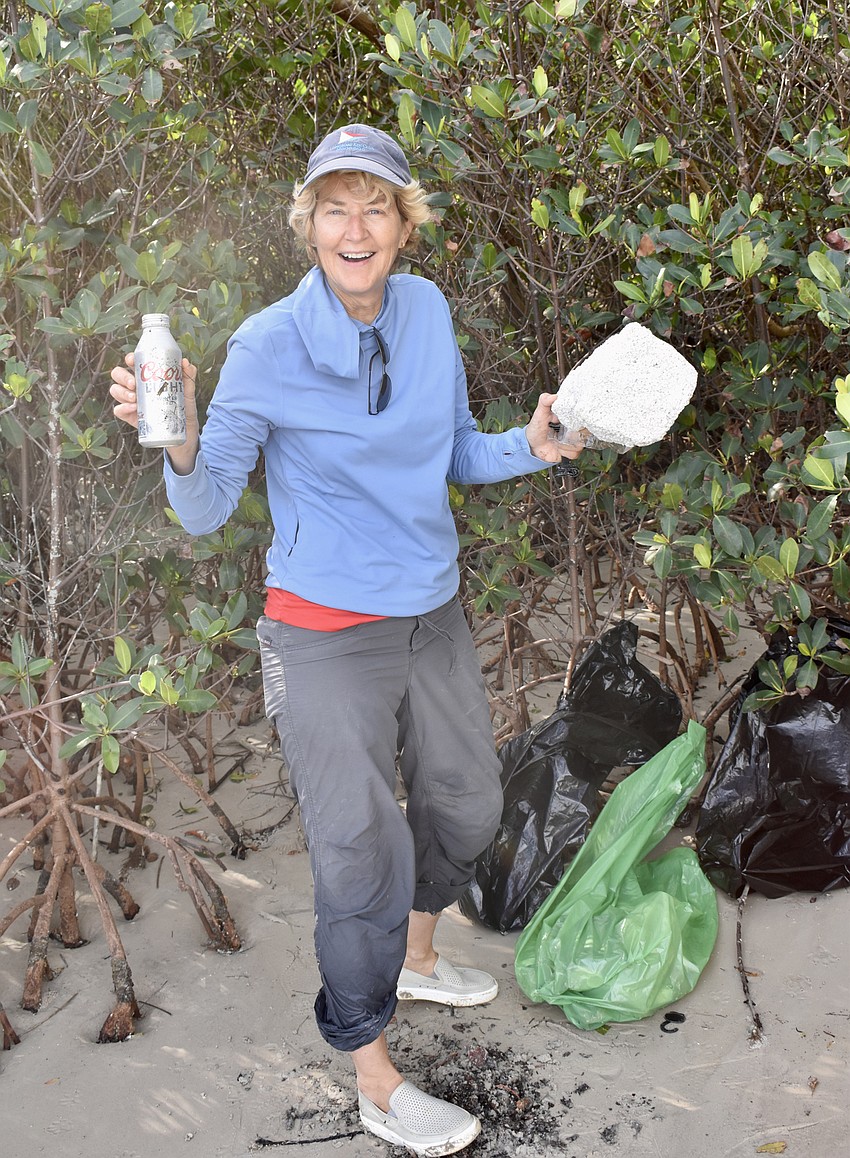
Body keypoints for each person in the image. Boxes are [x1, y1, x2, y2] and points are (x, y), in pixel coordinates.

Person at [110, 123, 580, 1157]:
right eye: (334, 208)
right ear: (308, 226)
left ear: (405, 225)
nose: (354, 227)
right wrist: (180, 438)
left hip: (430, 610)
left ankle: (414, 954)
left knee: (467, 801)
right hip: (323, 635)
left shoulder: (426, 310)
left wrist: (532, 446)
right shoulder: (267, 345)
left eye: (376, 206)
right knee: (358, 847)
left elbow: (453, 447)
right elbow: (203, 509)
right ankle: (373, 1072)